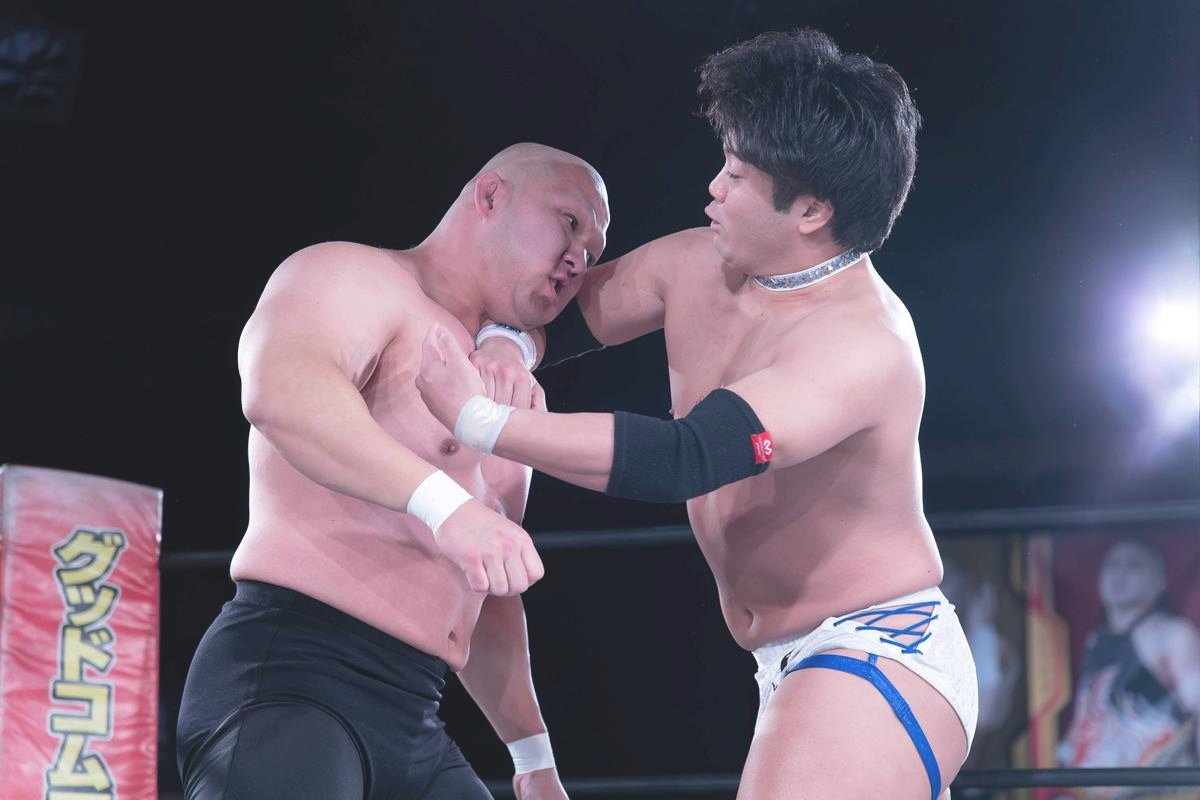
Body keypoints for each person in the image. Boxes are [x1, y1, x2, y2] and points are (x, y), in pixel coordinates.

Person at [417, 30, 977, 800]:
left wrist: (481, 420)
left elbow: (688, 457)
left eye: (738, 176)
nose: (713, 188)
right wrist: (507, 350)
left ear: (811, 210)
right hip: (784, 661)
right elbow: (548, 308)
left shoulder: (861, 345)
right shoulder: (692, 265)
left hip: (878, 646)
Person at [176, 143, 610, 799]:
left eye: (594, 252)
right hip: (294, 677)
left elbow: (490, 591)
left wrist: (534, 759)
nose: (579, 258)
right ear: (490, 196)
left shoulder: (505, 395)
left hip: (415, 714)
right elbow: (280, 392)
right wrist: (450, 509)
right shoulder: (356, 277)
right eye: (570, 223)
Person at [1056, 539, 1200, 799]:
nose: (1119, 573)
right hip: (1091, 789)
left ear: (1159, 582)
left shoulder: (1173, 635)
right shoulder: (1095, 639)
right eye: (1112, 565)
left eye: (1133, 566)